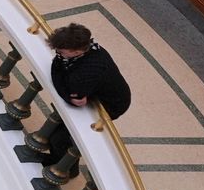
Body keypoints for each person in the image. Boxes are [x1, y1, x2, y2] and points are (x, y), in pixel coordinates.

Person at [36, 23, 132, 166]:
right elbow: (57, 67)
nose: (58, 54)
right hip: (95, 91)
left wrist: (65, 90)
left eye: (61, 51)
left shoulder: (87, 72)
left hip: (111, 105)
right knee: (56, 130)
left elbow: (72, 95)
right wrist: (62, 78)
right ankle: (59, 159)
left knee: (59, 137)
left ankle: (66, 167)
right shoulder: (86, 51)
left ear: (76, 52)